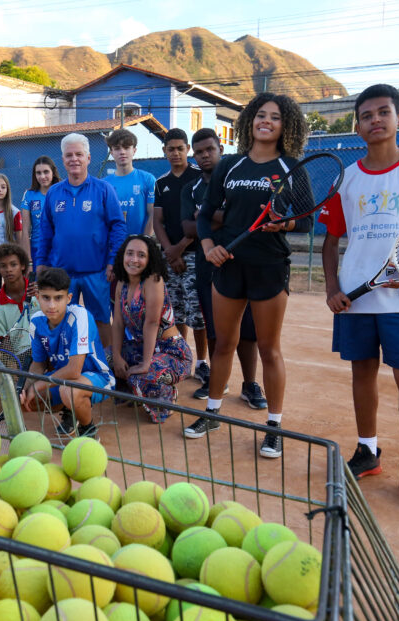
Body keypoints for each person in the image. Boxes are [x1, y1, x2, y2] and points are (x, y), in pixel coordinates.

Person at [320, 83, 399, 512]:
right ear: (357, 126)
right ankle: (367, 452)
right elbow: (331, 241)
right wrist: (332, 289)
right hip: (357, 298)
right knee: (362, 373)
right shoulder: (347, 179)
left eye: (383, 112)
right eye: (367, 115)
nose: (375, 120)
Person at [190, 93, 314, 459]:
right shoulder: (230, 165)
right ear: (249, 122)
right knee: (223, 343)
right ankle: (212, 413)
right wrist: (210, 244)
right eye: (260, 115)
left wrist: (285, 223)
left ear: (284, 126)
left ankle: (273, 426)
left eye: (275, 118)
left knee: (268, 348)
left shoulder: (292, 167)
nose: (266, 121)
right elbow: (204, 214)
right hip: (228, 265)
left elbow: (306, 220)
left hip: (269, 268)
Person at [181, 128, 266, 409]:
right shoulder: (190, 188)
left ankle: (250, 384)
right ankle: (218, 382)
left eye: (210, 149)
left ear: (220, 149)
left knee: (249, 332)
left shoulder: (241, 180)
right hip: (209, 269)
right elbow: (189, 227)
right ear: (194, 156)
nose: (205, 155)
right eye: (200, 152)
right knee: (217, 332)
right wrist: (218, 219)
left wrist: (210, 215)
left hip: (246, 265)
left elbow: (244, 219)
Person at [35, 133, 126, 347]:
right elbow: (45, 231)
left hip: (97, 271)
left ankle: (106, 365)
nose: (74, 159)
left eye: (79, 154)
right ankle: (66, 365)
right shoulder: (54, 193)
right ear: (63, 160)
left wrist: (114, 260)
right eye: (69, 155)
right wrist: (40, 262)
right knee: (60, 319)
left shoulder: (104, 190)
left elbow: (118, 226)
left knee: (101, 319)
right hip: (61, 272)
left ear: (88, 158)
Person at [21, 267, 114, 438]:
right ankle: (71, 410)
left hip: (97, 376)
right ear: (37, 297)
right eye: (46, 298)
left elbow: (74, 370)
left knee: (69, 391)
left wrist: (38, 385)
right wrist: (26, 388)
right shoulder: (36, 321)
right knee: (28, 400)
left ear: (69, 298)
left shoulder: (80, 316)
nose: (52, 305)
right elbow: (38, 363)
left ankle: (88, 430)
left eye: (58, 298)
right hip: (62, 379)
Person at [111, 234, 192, 423]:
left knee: (141, 377)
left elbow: (152, 323)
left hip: (172, 352)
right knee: (105, 359)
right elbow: (118, 323)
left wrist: (146, 364)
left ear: (149, 260)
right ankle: (132, 393)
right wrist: (116, 356)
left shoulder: (153, 281)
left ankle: (166, 398)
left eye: (141, 255)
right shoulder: (122, 283)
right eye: (129, 254)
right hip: (142, 347)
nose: (134, 260)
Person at [153, 128, 208, 383]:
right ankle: (181, 357)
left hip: (196, 255)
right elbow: (158, 222)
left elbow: (204, 221)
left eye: (180, 148)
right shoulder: (161, 182)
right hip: (170, 258)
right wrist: (169, 252)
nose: (175, 153)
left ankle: (202, 363)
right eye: (170, 149)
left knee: (199, 313)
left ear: (188, 149)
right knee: (177, 311)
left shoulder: (201, 178)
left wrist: (181, 247)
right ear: (164, 151)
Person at [0, 242, 38, 357]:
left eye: (13, 264)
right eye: (3, 266)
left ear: (23, 266)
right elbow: (3, 341)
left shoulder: (40, 292)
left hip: (47, 351)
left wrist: (43, 298)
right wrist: (13, 362)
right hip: (18, 357)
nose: (8, 269)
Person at [103, 128, 155, 236]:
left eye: (126, 148)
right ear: (111, 152)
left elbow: (153, 214)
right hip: (113, 247)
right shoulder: (103, 185)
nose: (122, 152)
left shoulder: (148, 180)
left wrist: (144, 240)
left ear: (134, 150)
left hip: (139, 246)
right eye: (117, 148)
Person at [20, 156, 61, 272]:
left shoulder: (62, 192)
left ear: (53, 172)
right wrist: (28, 261)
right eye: (38, 173)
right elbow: (25, 230)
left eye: (46, 172)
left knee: (59, 289)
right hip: (37, 250)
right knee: (38, 289)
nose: (42, 176)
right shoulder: (29, 195)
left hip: (59, 249)